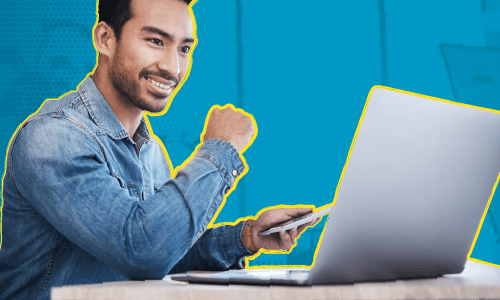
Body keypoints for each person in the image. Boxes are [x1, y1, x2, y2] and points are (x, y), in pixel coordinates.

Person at [0, 0, 318, 299]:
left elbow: (163, 256)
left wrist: (245, 238)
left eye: (183, 48)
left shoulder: (151, 152)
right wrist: (221, 149)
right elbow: (141, 251)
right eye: (155, 41)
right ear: (105, 39)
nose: (172, 67)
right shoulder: (52, 137)